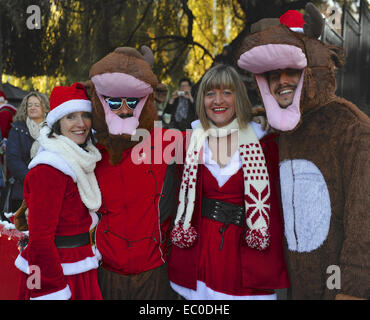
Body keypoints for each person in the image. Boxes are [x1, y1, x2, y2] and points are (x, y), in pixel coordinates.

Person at [237, 5, 370, 299]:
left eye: (291, 71)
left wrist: (352, 288)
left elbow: (364, 220)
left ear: (311, 71)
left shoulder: (351, 127)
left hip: (334, 287)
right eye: (274, 74)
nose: (282, 81)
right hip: (293, 284)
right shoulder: (279, 133)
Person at [168, 64, 289, 300]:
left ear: (239, 97)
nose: (217, 100)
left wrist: (266, 115)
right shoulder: (188, 143)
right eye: (210, 93)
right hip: (200, 256)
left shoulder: (267, 143)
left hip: (246, 259)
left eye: (227, 92)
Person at [88, 46, 180, 299]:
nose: (124, 109)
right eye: (114, 101)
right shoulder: (91, 153)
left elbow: (216, 140)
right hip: (106, 270)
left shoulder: (166, 142)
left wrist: (257, 126)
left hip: (153, 270)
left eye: (133, 101)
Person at [14, 82, 102, 300]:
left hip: (80, 264)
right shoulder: (49, 169)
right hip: (59, 275)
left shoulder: (81, 158)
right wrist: (49, 290)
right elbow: (40, 240)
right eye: (70, 116)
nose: (81, 124)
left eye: (85, 115)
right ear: (57, 123)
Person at [5, 92, 49, 212]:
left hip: (49, 188)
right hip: (22, 189)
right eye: (29, 105)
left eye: (36, 105)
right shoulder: (17, 129)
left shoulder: (53, 129)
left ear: (44, 107)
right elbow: (12, 158)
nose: (32, 108)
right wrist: (31, 179)